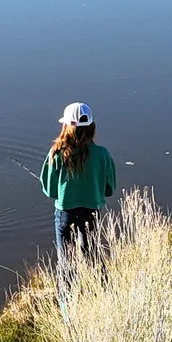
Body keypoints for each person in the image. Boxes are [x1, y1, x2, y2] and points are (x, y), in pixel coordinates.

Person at [40, 101, 117, 275]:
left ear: (66, 126)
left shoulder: (56, 153)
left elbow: (50, 190)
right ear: (92, 127)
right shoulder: (103, 154)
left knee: (66, 260)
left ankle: (67, 301)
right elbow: (109, 189)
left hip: (65, 212)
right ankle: (102, 291)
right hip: (91, 210)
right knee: (92, 255)